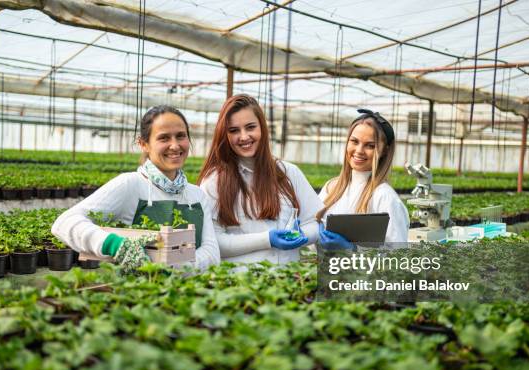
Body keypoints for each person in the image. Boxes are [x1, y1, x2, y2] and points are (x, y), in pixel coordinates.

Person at [52, 105, 220, 271]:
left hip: (190, 294)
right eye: (164, 138)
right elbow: (64, 223)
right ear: (143, 144)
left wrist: (179, 269)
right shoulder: (131, 184)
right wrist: (115, 245)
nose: (175, 145)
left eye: (180, 136)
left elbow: (212, 253)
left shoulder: (196, 194)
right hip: (137, 292)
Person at [198, 94, 322, 264]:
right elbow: (213, 242)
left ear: (262, 128)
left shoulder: (288, 173)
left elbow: (315, 222)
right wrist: (267, 239)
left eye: (250, 127)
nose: (244, 137)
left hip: (289, 282)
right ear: (224, 135)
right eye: (234, 130)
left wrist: (302, 235)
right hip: (240, 285)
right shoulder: (214, 181)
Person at [317, 109, 409, 248]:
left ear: (384, 150)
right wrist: (310, 233)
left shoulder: (384, 197)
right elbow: (312, 241)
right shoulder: (331, 187)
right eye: (354, 141)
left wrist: (352, 250)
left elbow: (397, 256)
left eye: (370, 146)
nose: (359, 150)